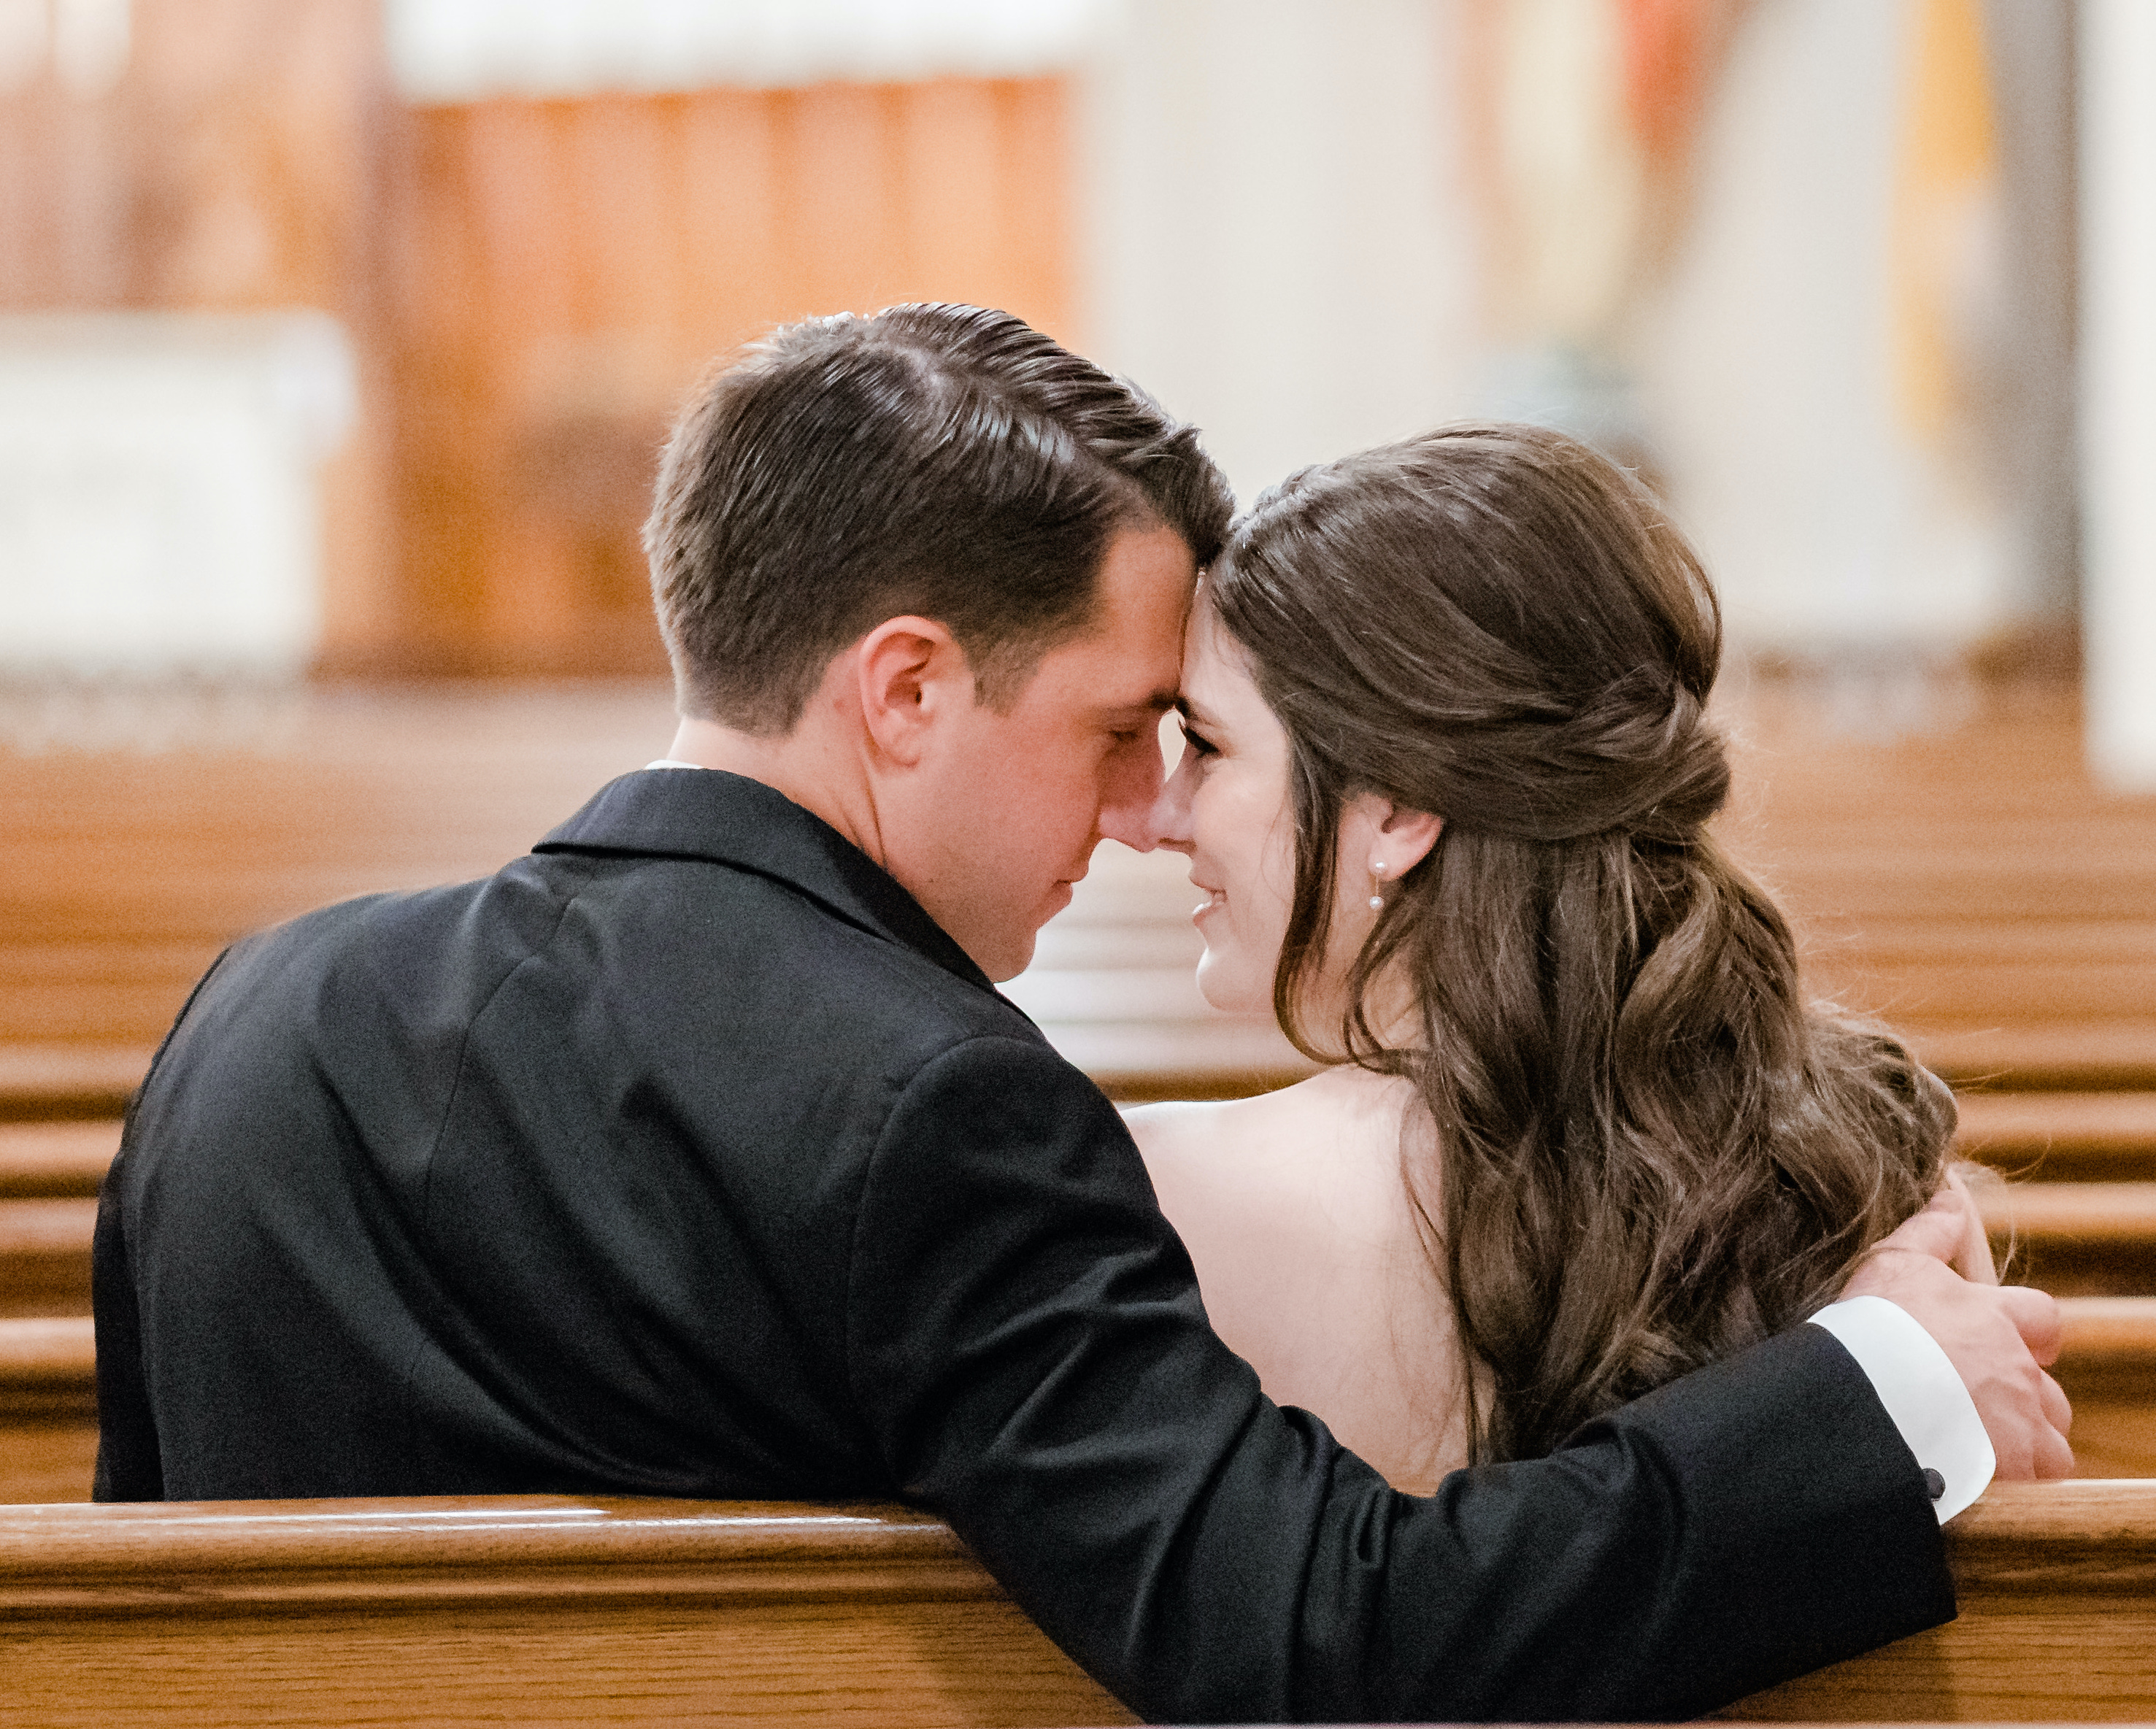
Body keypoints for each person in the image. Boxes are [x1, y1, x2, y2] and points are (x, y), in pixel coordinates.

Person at [94, 306, 2068, 1725]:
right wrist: (1872, 1392)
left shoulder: (242, 1019)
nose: (1141, 815)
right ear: (905, 691)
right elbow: (1323, 1639)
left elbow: (123, 1605)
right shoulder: (939, 1102)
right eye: (1125, 732)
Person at [1128, 424, 2057, 1502]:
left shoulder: (1172, 1200)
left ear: (1395, 809)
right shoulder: (1865, 1165)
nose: (1160, 812)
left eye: (1204, 743)